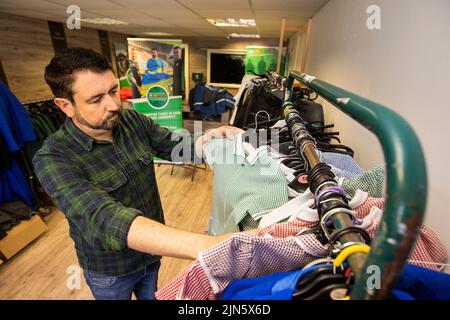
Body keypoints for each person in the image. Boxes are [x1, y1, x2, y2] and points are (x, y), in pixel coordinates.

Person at [33, 47, 245, 300]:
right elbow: (104, 217)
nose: (113, 105)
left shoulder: (132, 121)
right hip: (111, 271)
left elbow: (174, 146)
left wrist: (210, 138)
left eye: (113, 91)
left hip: (151, 256)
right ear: (65, 105)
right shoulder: (53, 159)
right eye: (96, 99)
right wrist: (204, 245)